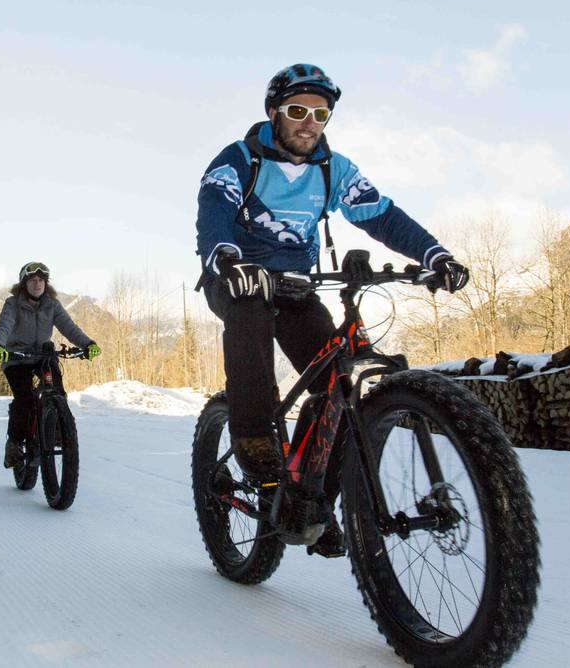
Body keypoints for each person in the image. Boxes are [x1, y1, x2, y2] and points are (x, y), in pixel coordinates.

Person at [195, 63, 469, 557]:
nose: (309, 122)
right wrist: (228, 257)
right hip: (238, 279)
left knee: (334, 379)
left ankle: (308, 501)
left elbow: (381, 214)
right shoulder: (239, 158)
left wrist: (433, 254)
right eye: (298, 111)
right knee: (251, 311)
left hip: (297, 287)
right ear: (275, 113)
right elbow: (214, 206)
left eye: (321, 114)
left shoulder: (333, 168)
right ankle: (255, 440)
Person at [0, 262, 101, 468]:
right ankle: (14, 443)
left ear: (46, 284)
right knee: (24, 398)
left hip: (42, 356)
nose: (37, 284)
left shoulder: (52, 305)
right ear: (24, 284)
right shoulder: (13, 304)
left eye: (41, 280)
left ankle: (58, 430)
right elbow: (3, 325)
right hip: (16, 357)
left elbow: (69, 328)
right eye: (32, 280)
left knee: (58, 391)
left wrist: (88, 344)